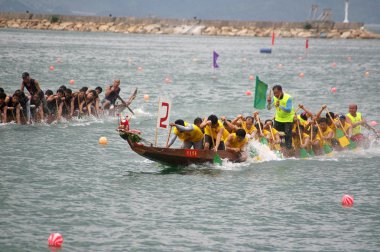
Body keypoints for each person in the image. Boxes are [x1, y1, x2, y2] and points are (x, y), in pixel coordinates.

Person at [267, 85, 295, 153]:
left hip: (288, 119)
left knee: (287, 135)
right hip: (278, 119)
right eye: (274, 93)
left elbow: (288, 110)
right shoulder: (274, 97)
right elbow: (269, 108)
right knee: (276, 134)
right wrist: (269, 102)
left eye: (277, 93)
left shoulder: (288, 97)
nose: (275, 95)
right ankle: (279, 149)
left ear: (281, 91)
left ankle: (289, 150)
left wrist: (279, 105)